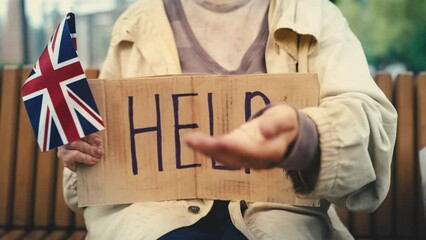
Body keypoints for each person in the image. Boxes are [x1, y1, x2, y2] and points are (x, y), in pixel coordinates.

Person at [58, 0, 398, 239]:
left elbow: (365, 121)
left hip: (279, 218)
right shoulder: (136, 21)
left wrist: (306, 137)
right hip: (152, 220)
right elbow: (99, 146)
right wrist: (83, 151)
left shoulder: (315, 14)